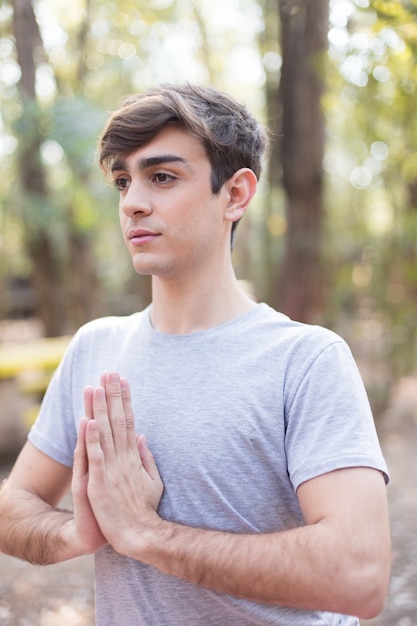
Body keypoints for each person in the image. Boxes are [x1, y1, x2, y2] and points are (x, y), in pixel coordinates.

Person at [0, 84, 390, 625]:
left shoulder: (306, 361)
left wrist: (147, 534)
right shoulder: (95, 348)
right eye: (122, 179)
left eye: (161, 177)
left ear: (235, 195)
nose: (133, 200)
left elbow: (359, 577)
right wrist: (78, 531)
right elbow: (13, 506)